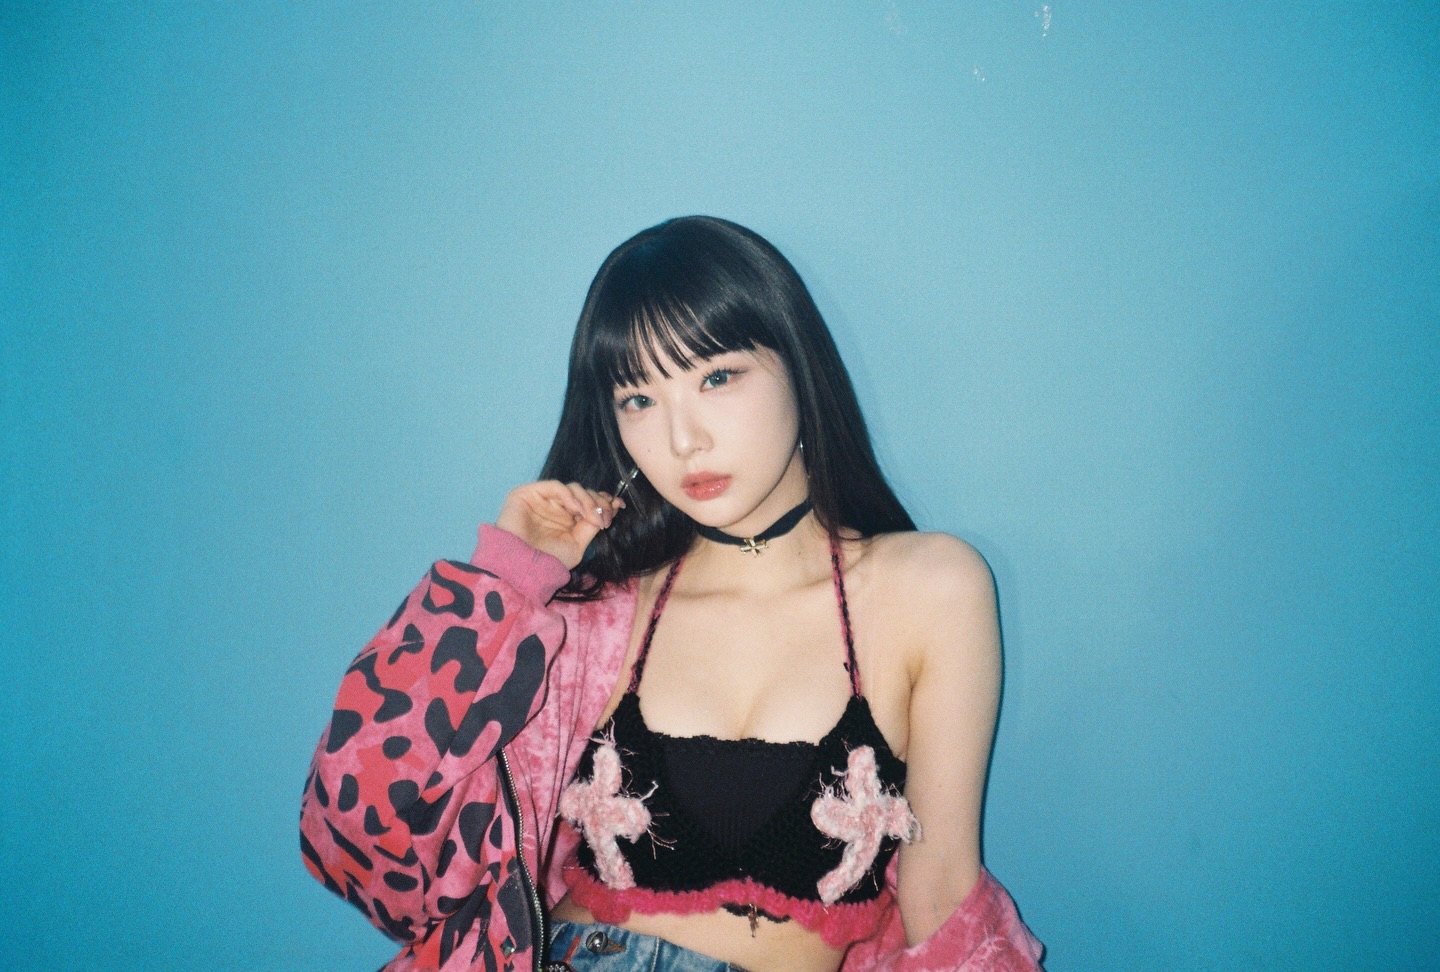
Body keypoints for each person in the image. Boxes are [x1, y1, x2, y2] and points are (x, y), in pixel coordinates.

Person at [300, 216, 1044, 972]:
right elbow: (362, 826)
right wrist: (507, 585)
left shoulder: (930, 587)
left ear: (799, 366)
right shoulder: (593, 616)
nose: (683, 439)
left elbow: (940, 897)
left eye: (716, 378)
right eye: (638, 400)